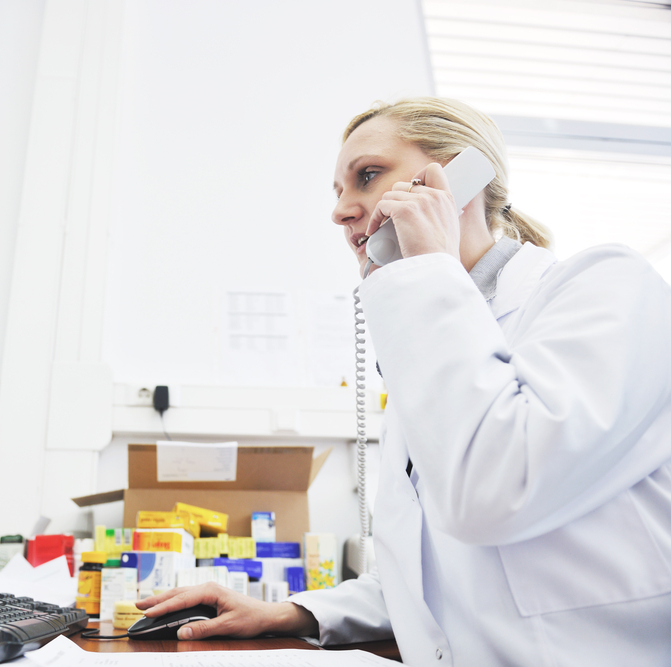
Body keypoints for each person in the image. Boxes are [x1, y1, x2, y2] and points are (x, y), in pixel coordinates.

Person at [136, 97, 671, 665]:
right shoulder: (434, 338)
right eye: (337, 191)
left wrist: (424, 270)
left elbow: (495, 492)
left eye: (366, 176)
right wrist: (294, 612)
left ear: (456, 178)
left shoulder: (605, 288)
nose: (341, 212)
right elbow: (434, 575)